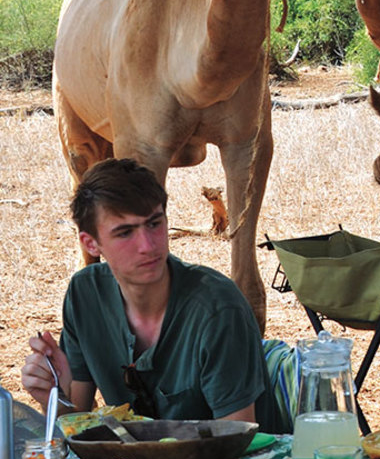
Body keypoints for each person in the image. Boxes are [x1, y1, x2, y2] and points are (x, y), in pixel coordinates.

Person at [21, 158, 289, 433]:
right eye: (124, 233)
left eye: (154, 224)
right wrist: (54, 395)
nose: (147, 246)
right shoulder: (85, 295)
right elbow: (78, 426)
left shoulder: (217, 307)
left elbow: (238, 440)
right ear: (91, 243)